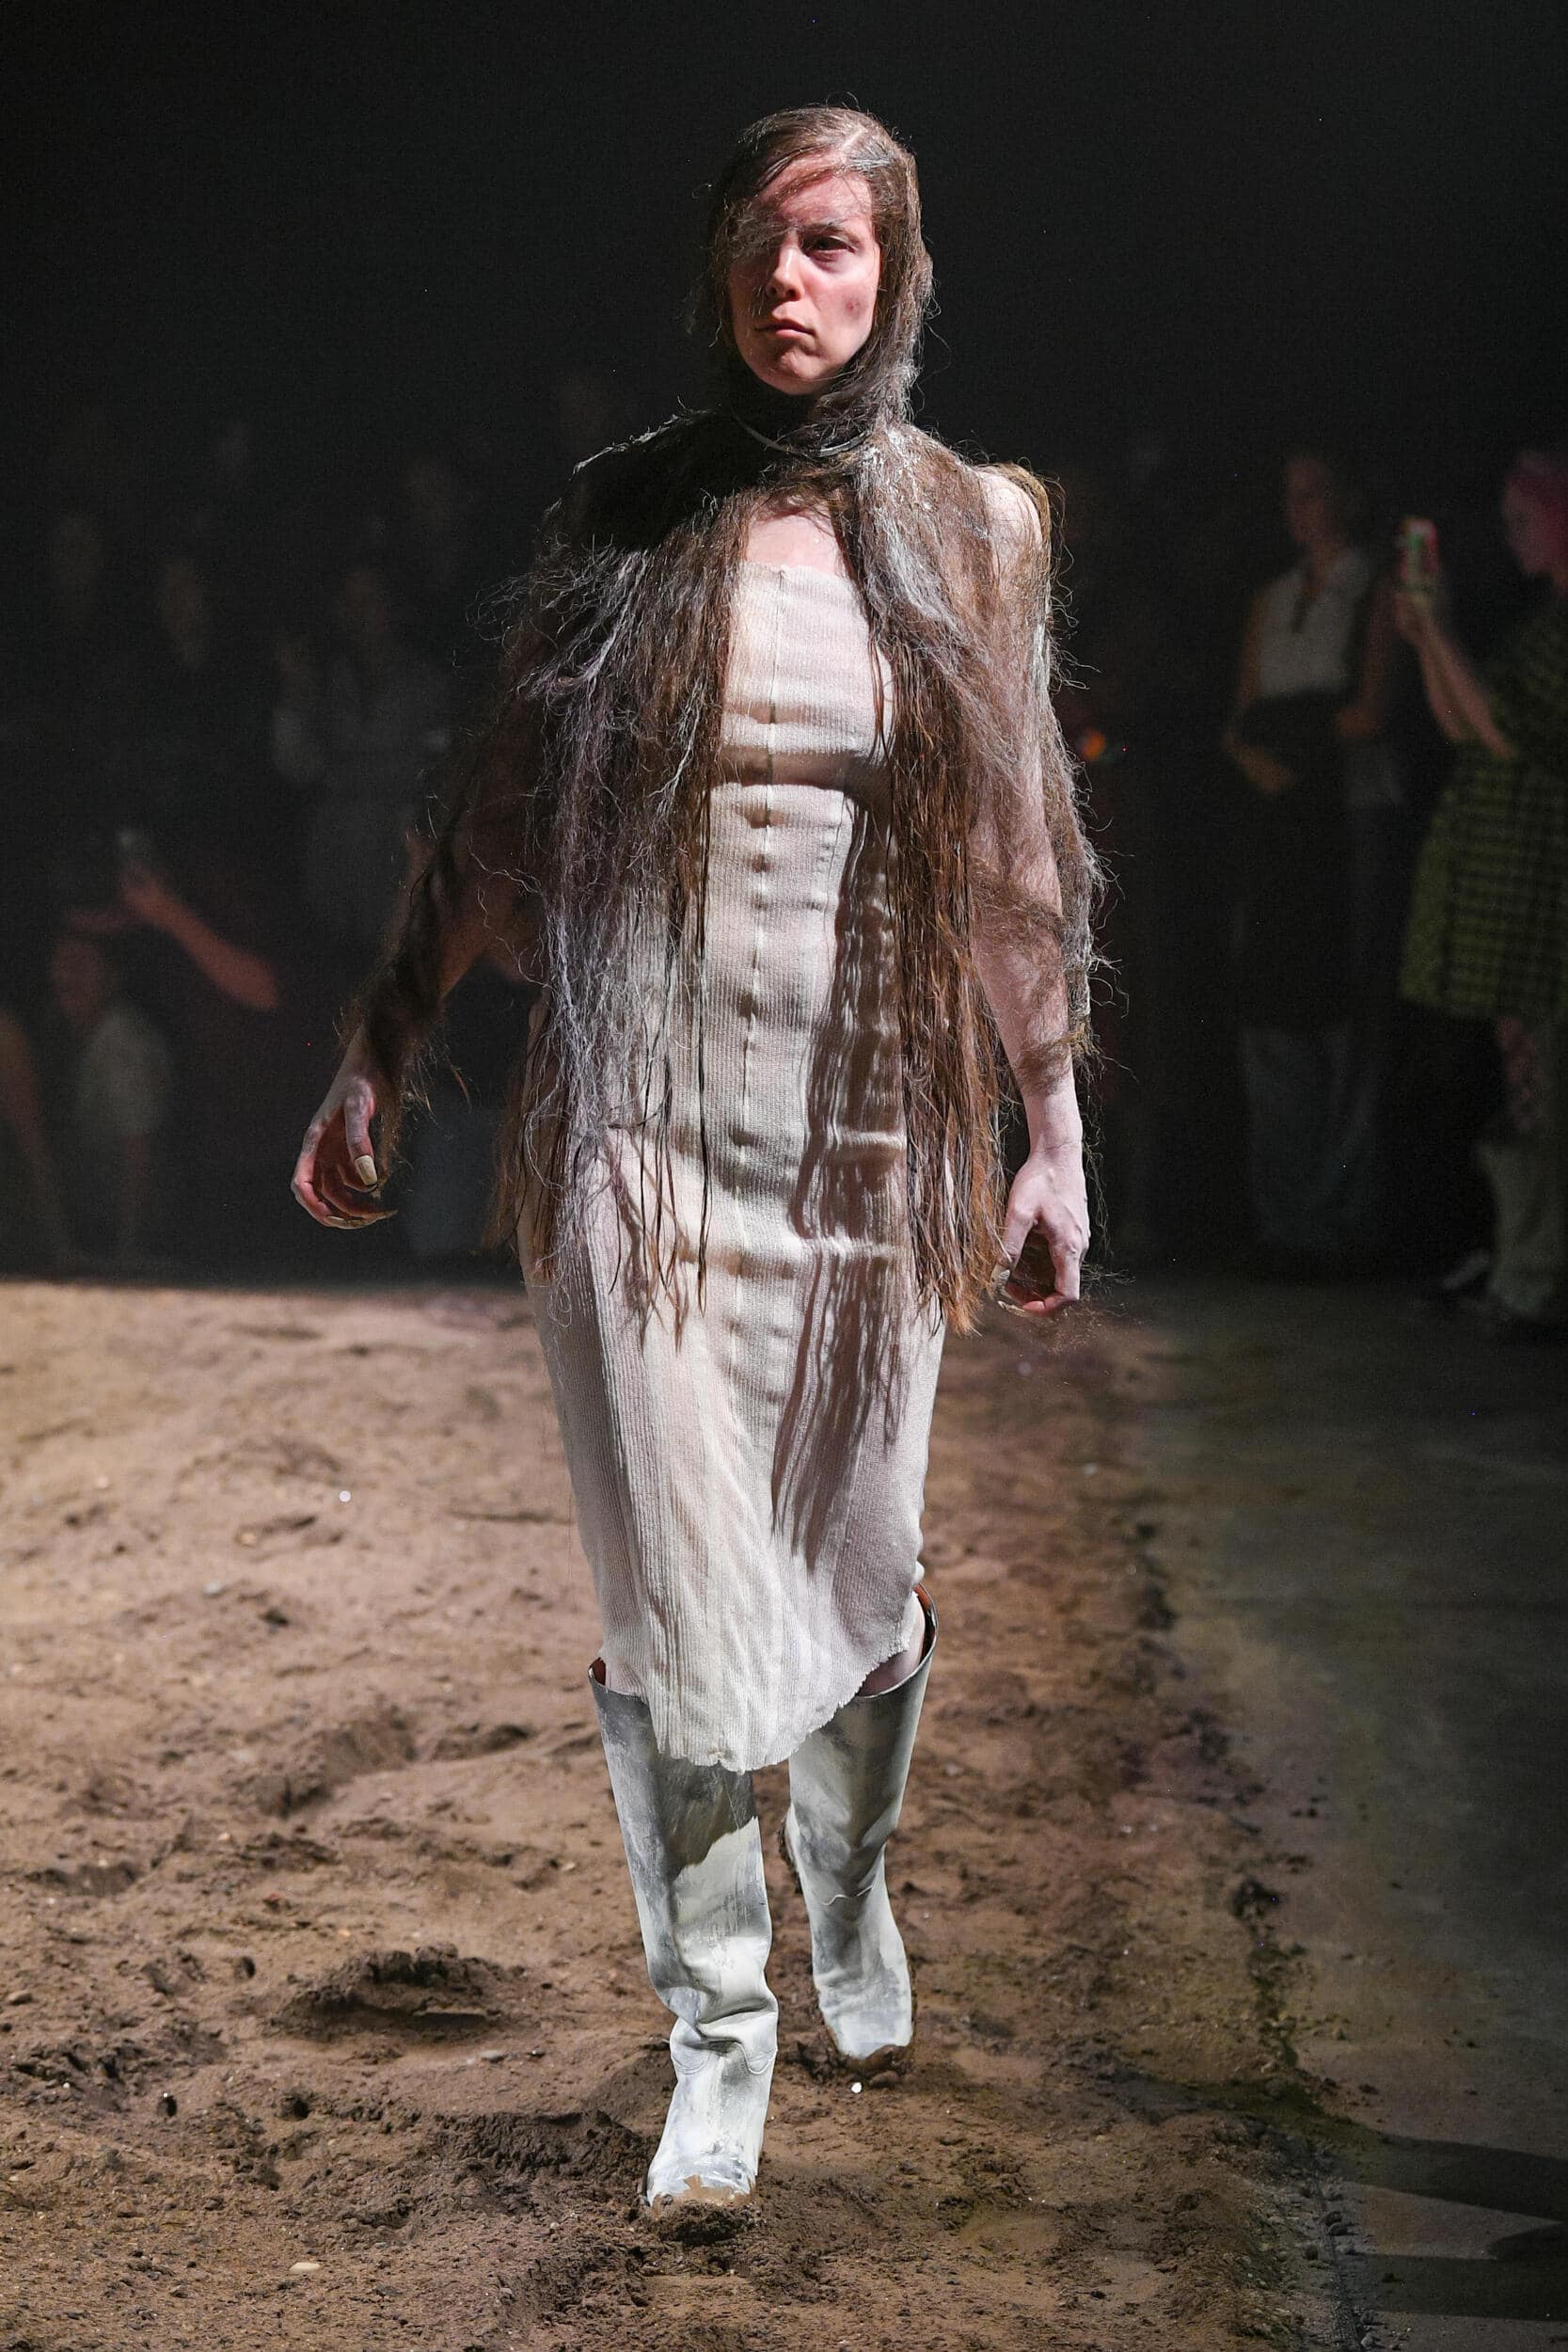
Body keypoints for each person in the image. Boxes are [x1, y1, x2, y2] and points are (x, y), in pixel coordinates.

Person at [293, 106, 1097, 2216]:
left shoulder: (968, 528)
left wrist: (1050, 1131)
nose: (785, 282)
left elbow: (1013, 855)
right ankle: (716, 2034)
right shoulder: (626, 513)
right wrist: (381, 1045)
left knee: (859, 1572)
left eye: (827, 245)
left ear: (893, 272)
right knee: (667, 1589)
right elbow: (496, 814)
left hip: (865, 1131)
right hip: (637, 1132)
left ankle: (848, 1875)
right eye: (755, 243)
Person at [1398, 449, 1568, 1335]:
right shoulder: (1538, 620)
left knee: (1542, 1082)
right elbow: (1464, 724)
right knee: (1524, 1079)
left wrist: (1438, 632)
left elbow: (1505, 731)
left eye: (1524, 517)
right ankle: (1520, 1265)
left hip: (1541, 877)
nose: (1510, 534)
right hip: (1507, 875)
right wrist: (1427, 636)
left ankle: (1534, 1274)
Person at [1222, 447, 1402, 1272]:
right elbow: (1240, 723)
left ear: (1348, 497)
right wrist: (1264, 756)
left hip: (1348, 814)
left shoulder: (1374, 587)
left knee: (1345, 1006)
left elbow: (1371, 712)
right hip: (1280, 818)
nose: (1298, 508)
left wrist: (1293, 739)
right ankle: (1285, 1218)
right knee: (1275, 1003)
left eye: (1314, 493)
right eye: (1288, 494)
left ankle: (1342, 1219)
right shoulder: (1272, 597)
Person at [45, 931, 172, 1267]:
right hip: (94, 1217)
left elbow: (138, 1148)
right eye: (63, 960)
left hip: (130, 1224)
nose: (68, 974)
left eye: (82, 962)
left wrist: (127, 1247)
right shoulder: (67, 1034)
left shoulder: (122, 1040)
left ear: (113, 978)